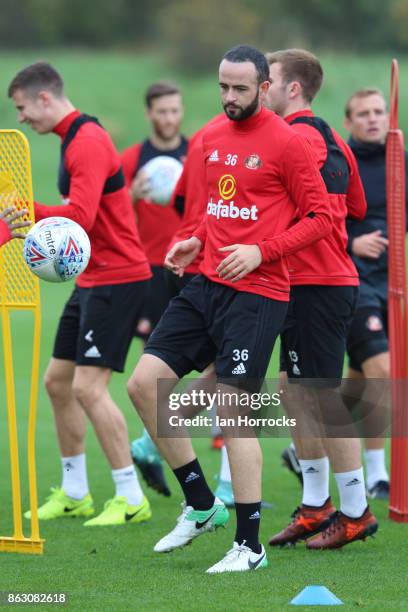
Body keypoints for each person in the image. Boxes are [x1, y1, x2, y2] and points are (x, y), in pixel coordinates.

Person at [127, 44, 333, 573]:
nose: (229, 97)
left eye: (240, 88)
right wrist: (191, 241)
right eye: (223, 86)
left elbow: (321, 219)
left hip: (260, 293)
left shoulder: (288, 144)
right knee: (143, 385)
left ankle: (250, 546)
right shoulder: (210, 138)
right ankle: (200, 506)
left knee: (233, 412)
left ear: (265, 87)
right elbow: (208, 211)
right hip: (204, 284)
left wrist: (262, 251)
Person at [8, 62, 152, 526]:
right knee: (57, 383)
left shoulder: (86, 141)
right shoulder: (72, 138)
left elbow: (79, 220)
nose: (22, 119)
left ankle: (131, 497)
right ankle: (75, 492)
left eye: (23, 108)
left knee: (89, 389)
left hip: (118, 278)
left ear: (44, 98)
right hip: (92, 279)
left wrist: (23, 212)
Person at [265, 49, 378, 549]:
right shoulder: (336, 140)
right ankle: (316, 506)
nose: (258, 89)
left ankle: (355, 511)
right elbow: (355, 206)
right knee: (296, 392)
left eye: (266, 81)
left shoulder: (292, 140)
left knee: (323, 396)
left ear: (292, 88)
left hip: (320, 284)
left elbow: (309, 211)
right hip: (305, 283)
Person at [121, 82, 188, 496]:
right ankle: (151, 446)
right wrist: (129, 197)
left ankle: (150, 447)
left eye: (174, 110)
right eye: (161, 111)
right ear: (149, 113)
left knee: (177, 369)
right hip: (146, 272)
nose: (168, 119)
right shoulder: (132, 159)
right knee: (157, 369)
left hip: (186, 269)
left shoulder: (197, 153)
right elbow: (111, 217)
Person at [343, 88, 408, 498]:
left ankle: (307, 444)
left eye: (379, 112)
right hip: (351, 282)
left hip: (392, 285)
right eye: (363, 113)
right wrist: (353, 242)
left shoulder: (400, 160)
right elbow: (316, 219)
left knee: (359, 381)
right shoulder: (339, 162)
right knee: (383, 372)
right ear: (348, 122)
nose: (373, 119)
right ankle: (376, 473)